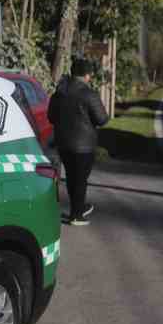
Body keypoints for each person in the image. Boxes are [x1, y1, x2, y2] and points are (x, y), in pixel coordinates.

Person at [48, 58, 108, 226]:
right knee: (80, 179)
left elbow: (51, 117)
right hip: (84, 146)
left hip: (63, 144)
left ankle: (78, 208)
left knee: (72, 177)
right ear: (87, 75)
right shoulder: (89, 94)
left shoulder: (60, 92)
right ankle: (76, 215)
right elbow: (102, 119)